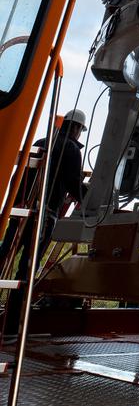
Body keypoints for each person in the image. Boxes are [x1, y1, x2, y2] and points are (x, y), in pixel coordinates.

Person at [0, 108, 86, 336]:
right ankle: (10, 326)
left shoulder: (42, 140)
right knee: (26, 271)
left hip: (21, 212)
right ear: (77, 128)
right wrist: (91, 197)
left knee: (3, 255)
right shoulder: (71, 150)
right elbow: (73, 184)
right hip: (44, 216)